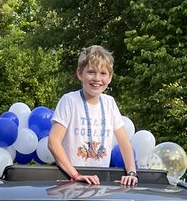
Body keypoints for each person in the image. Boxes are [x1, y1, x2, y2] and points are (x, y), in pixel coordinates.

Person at [48, 45, 139, 187]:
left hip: (98, 180)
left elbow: (124, 143)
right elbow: (53, 142)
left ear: (110, 78)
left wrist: (131, 173)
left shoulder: (109, 103)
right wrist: (75, 175)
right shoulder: (69, 101)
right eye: (91, 72)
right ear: (80, 74)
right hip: (70, 178)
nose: (97, 78)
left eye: (103, 73)